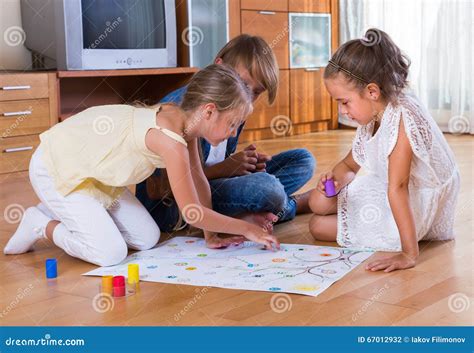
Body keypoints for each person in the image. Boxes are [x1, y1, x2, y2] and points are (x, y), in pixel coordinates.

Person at [4, 64, 279, 266]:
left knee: (147, 239)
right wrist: (245, 228)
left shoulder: (187, 124)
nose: (234, 133)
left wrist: (211, 235)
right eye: (232, 124)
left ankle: (75, 212)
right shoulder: (170, 141)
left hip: (99, 175)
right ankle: (39, 222)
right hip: (57, 165)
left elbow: (199, 182)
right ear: (208, 111)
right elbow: (192, 213)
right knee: (110, 254)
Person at [137, 35, 315, 248]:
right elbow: (158, 189)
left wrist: (243, 165)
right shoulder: (183, 111)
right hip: (173, 207)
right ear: (219, 66)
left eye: (256, 92)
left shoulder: (235, 102)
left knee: (303, 160)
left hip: (210, 187)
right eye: (243, 85)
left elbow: (213, 163)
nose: (247, 97)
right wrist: (227, 168)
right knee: (267, 189)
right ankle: (289, 206)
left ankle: (250, 212)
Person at [308, 28, 460, 272]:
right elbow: (349, 165)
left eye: (344, 102)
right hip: (394, 187)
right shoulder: (373, 113)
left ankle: (407, 240)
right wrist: (334, 184)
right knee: (319, 201)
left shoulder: (402, 118)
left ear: (372, 91)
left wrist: (408, 254)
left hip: (419, 199)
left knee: (318, 226)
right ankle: (306, 201)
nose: (342, 112)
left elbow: (398, 187)